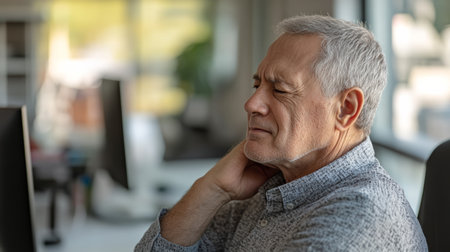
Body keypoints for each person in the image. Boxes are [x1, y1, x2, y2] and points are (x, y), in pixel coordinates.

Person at [135, 15, 428, 251]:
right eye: (257, 85)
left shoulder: (357, 219)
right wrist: (213, 188)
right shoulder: (272, 183)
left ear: (345, 109)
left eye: (280, 89)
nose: (251, 104)